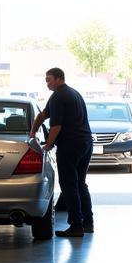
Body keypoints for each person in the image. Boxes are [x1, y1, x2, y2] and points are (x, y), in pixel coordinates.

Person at [30, 68, 93, 238]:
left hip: (70, 145)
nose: (47, 82)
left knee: (69, 185)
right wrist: (32, 132)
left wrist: (48, 145)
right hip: (86, 143)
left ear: (59, 79)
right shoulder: (73, 94)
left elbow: (56, 126)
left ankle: (76, 226)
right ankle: (88, 223)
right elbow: (42, 115)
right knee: (80, 183)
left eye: (49, 79)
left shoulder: (58, 96)